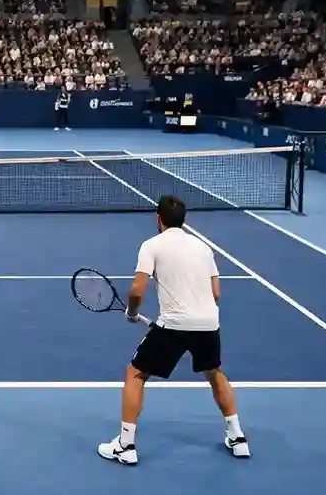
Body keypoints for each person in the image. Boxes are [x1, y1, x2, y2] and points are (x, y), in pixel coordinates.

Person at [99, 195, 248, 466]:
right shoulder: (204, 248)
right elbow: (216, 293)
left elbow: (136, 290)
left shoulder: (151, 245)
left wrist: (132, 313)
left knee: (135, 373)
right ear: (183, 220)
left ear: (159, 219)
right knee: (215, 374)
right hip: (208, 323)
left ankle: (125, 445)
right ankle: (238, 439)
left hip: (175, 324)